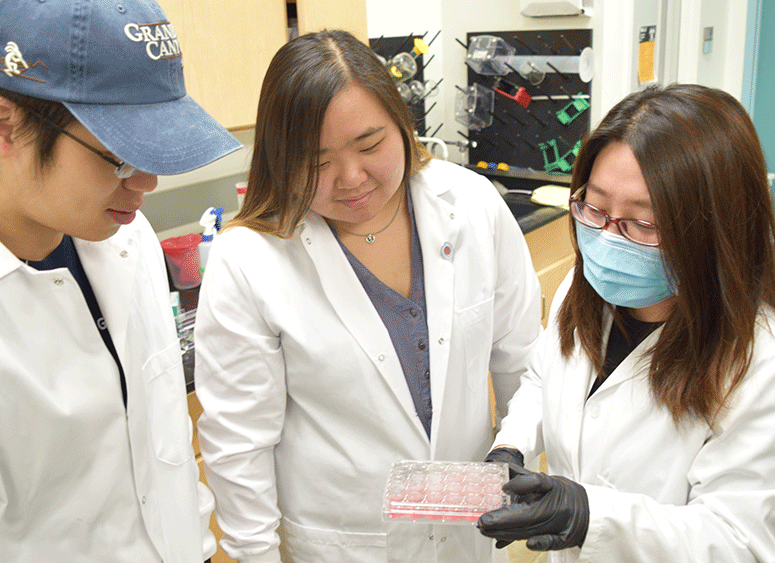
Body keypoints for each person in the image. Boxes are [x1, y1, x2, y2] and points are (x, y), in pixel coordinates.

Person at [0, 0, 241, 561]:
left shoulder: (126, 236)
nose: (147, 181)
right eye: (119, 156)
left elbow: (164, 451)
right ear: (2, 129)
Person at [193, 30, 543, 563]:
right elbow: (239, 447)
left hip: (466, 532)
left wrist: (518, 465)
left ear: (400, 127)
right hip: (340, 543)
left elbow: (523, 362)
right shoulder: (249, 258)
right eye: (316, 161)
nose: (350, 178)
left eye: (369, 144)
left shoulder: (471, 204)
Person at [476, 83, 775, 562]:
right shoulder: (583, 295)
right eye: (595, 206)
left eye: (643, 223)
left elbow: (737, 541)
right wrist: (512, 445)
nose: (606, 237)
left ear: (715, 229)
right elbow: (545, 379)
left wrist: (591, 516)